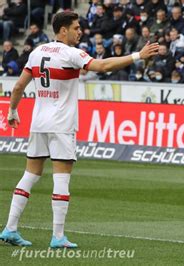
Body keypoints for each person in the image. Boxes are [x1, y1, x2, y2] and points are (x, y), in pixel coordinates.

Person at [0, 11, 159, 248]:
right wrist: (138, 55)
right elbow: (103, 66)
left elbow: (19, 87)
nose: (79, 31)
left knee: (30, 175)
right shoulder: (71, 53)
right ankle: (58, 236)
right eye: (75, 27)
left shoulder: (37, 52)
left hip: (39, 123)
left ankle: (10, 228)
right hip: (62, 125)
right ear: (63, 30)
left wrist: (12, 112)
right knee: (62, 178)